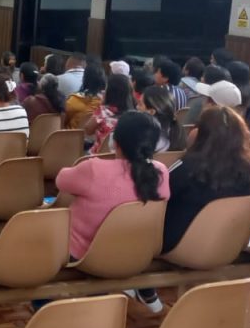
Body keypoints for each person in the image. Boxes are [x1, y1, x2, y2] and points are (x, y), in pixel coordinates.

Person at [57, 111, 171, 311]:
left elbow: (61, 180)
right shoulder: (160, 172)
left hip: (86, 256)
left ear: (115, 142)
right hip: (137, 255)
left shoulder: (93, 168)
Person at [163, 106, 250, 252]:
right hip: (230, 244)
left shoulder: (186, 167)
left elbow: (160, 195)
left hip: (181, 246)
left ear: (201, 133)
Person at [87, 74, 136, 154]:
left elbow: (88, 130)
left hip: (99, 156)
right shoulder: (136, 115)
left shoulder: (103, 111)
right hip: (123, 158)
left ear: (110, 91)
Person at [139, 86, 186, 152]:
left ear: (151, 112)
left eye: (140, 104)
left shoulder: (145, 138)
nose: (137, 107)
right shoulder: (179, 131)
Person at [64, 62, 106, 130]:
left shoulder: (74, 100)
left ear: (85, 78)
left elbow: (63, 119)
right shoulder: (105, 104)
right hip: (94, 139)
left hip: (71, 138)